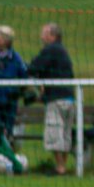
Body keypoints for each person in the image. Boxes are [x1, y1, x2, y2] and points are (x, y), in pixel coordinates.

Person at [29, 22, 76, 175]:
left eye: (44, 33)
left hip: (56, 98)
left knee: (54, 132)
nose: (41, 36)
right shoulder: (63, 51)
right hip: (69, 97)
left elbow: (34, 67)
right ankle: (64, 165)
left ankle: (60, 167)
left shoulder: (50, 50)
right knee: (66, 133)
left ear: (52, 36)